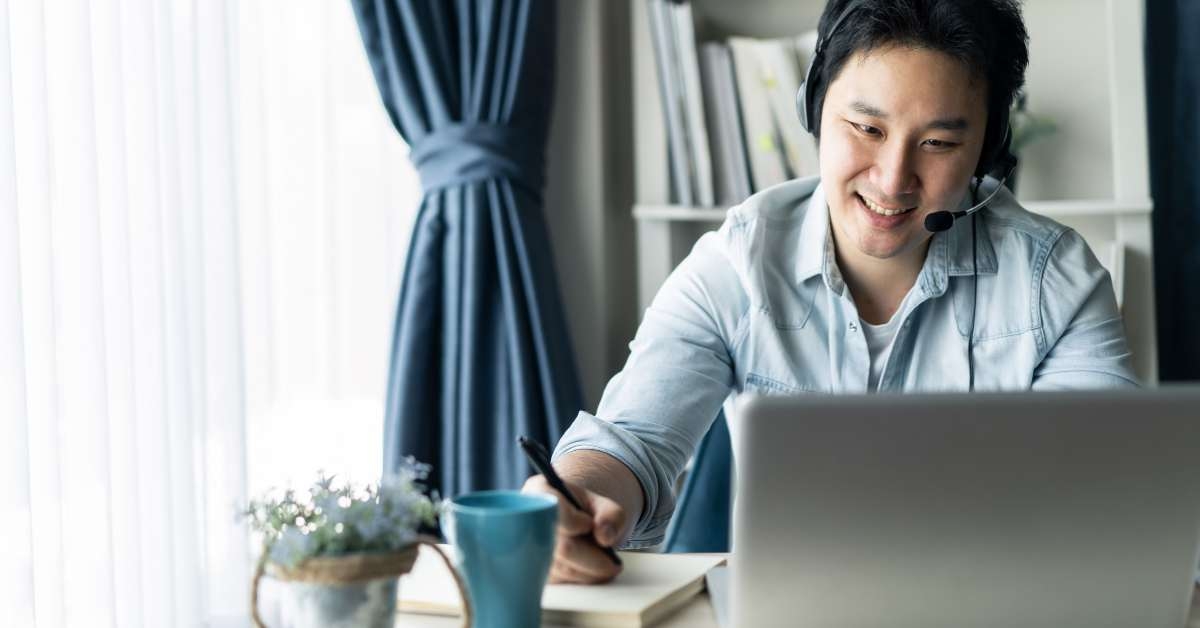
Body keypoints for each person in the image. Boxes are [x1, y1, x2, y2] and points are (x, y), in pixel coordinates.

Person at [524, 0, 1137, 585]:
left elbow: (1109, 491)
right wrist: (579, 495)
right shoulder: (738, 262)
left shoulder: (1054, 280)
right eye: (866, 127)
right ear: (814, 106)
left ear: (989, 145)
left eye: (940, 144)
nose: (893, 179)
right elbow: (632, 442)